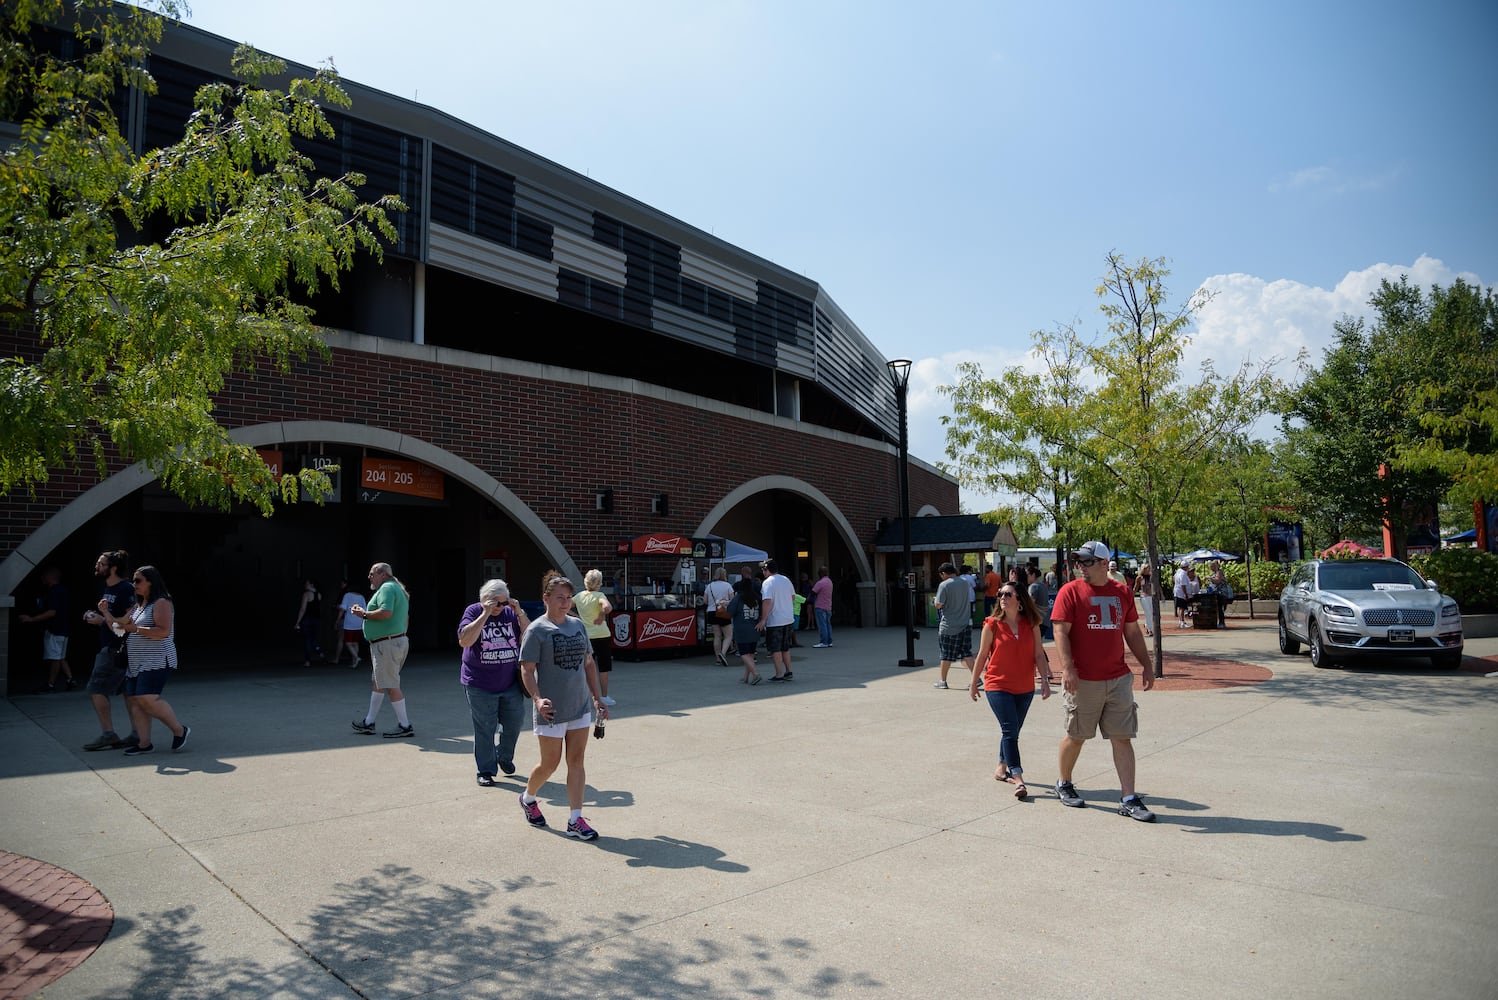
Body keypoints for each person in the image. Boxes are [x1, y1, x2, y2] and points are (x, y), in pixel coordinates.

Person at [1050, 540, 1157, 822]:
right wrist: (1068, 669)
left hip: (1118, 678)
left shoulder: (1122, 592)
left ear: (1102, 563)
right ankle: (1064, 782)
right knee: (1076, 736)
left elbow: (1132, 632)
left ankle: (1129, 798)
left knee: (1122, 737)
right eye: (1078, 562)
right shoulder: (1069, 592)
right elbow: (1060, 632)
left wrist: (1147, 665)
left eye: (1086, 562)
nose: (1080, 567)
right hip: (1083, 680)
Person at [517, 573, 606, 841]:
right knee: (549, 764)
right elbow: (527, 669)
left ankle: (575, 819)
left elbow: (588, 663)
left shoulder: (578, 626)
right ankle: (527, 798)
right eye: (560, 598)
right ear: (546, 599)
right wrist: (537, 699)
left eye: (569, 598)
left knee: (576, 762)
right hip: (551, 710)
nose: (566, 603)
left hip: (579, 707)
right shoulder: (537, 630)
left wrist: (597, 698)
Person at [969, 580, 1053, 799]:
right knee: (1009, 729)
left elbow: (1038, 654)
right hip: (997, 685)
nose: (1002, 598)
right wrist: (973, 682)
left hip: (1025, 687)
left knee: (1012, 730)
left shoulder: (1031, 624)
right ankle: (1017, 776)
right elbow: (981, 654)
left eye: (1008, 594)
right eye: (1000, 594)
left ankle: (1001, 767)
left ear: (1019, 599)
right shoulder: (992, 624)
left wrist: (1044, 680)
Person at [99, 565, 189, 757]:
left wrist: (136, 630)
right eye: (133, 580)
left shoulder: (162, 603)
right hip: (137, 662)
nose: (134, 584)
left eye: (138, 580)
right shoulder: (139, 606)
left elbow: (163, 632)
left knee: (147, 698)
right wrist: (105, 613)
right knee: (135, 702)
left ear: (151, 582)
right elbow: (119, 628)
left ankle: (179, 730)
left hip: (157, 660)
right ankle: (144, 743)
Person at [457, 579, 530, 786]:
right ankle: (486, 770)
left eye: (504, 602)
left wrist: (519, 611)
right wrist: (485, 614)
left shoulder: (510, 613)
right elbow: (465, 640)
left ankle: (504, 756)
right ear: (486, 600)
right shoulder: (473, 612)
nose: (501, 607)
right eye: (496, 603)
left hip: (509, 682)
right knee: (485, 728)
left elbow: (530, 636)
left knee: (514, 723)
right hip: (479, 682)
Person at [80, 550, 138, 751]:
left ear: (113, 568)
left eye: (101, 563)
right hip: (112, 646)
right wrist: (97, 618)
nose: (97, 566)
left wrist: (102, 620)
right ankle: (136, 734)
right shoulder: (108, 589)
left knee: (96, 688)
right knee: (127, 692)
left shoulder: (126, 589)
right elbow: (112, 618)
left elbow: (130, 621)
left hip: (116, 649)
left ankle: (108, 734)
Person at [350, 562, 414, 738]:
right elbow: (405, 618)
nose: (369, 577)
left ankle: (405, 725)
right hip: (393, 642)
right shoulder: (398, 589)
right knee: (379, 682)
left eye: (372, 574)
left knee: (391, 684)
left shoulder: (387, 588)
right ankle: (369, 722)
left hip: (386, 645)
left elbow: (386, 612)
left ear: (383, 574)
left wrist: (363, 614)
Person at [20, 566, 73, 691]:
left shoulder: (54, 592)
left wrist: (31, 619)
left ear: (50, 577)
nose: (42, 578)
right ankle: (70, 679)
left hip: (55, 630)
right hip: (63, 629)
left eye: (44, 576)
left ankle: (51, 684)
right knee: (60, 656)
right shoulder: (63, 590)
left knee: (55, 657)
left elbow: (52, 612)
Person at [573, 569, 617, 704]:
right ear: (599, 583)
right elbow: (608, 607)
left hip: (586, 636)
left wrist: (575, 616)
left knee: (584, 667)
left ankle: (585, 696)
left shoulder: (579, 596)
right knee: (603, 667)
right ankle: (603, 696)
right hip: (602, 635)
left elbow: (566, 606)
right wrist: (602, 614)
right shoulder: (599, 595)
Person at [932, 562, 974, 689]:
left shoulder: (944, 585)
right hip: (965, 623)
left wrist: (935, 600)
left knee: (946, 654)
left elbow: (939, 604)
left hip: (949, 625)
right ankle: (976, 679)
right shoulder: (964, 582)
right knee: (966, 653)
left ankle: (943, 681)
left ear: (943, 573)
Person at [756, 558, 796, 681]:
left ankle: (779, 674)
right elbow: (793, 597)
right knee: (785, 647)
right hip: (788, 618)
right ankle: (789, 671)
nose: (763, 572)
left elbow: (767, 601)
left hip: (775, 620)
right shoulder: (786, 579)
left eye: (763, 569)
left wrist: (763, 619)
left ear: (766, 570)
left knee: (775, 649)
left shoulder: (768, 582)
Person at [728, 577, 763, 685]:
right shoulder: (757, 598)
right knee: (750, 654)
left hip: (742, 629)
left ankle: (756, 674)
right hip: (755, 628)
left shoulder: (739, 597)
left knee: (743, 654)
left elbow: (730, 611)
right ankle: (746, 677)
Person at [703, 567, 736, 666]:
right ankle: (723, 653)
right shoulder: (728, 586)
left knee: (716, 636)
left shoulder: (709, 586)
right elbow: (733, 600)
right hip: (723, 612)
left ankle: (718, 658)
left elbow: (705, 601)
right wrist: (725, 602)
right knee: (728, 635)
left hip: (712, 612)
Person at [294, 577, 324, 666]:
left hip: (307, 619)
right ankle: (320, 652)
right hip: (316, 619)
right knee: (313, 639)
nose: (305, 585)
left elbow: (303, 609)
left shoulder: (306, 594)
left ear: (311, 584)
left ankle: (307, 661)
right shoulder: (319, 595)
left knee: (307, 639)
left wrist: (298, 622)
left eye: (306, 583)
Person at [335, 580, 365, 668]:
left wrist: (337, 620)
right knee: (355, 642)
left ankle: (356, 657)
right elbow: (365, 609)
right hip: (359, 621)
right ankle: (354, 662)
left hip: (349, 621)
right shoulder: (361, 597)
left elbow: (343, 608)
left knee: (348, 642)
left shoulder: (347, 595)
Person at [1026, 565, 1053, 642]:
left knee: (1034, 644)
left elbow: (1030, 604)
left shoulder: (1033, 587)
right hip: (1045, 620)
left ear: (1033, 575)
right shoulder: (1043, 586)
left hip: (1038, 621)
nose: (1026, 577)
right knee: (1037, 644)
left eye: (1027, 575)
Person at [811, 566, 834, 648]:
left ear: (820, 573)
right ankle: (829, 641)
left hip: (820, 606)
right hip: (828, 606)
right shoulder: (829, 581)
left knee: (822, 625)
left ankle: (823, 641)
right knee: (828, 624)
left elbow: (813, 592)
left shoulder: (820, 582)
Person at [1134, 562, 1157, 637]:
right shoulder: (1140, 578)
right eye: (1147, 568)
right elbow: (1136, 587)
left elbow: (1157, 586)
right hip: (1144, 596)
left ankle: (1147, 625)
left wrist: (1161, 595)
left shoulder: (1151, 577)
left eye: (1149, 568)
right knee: (1148, 613)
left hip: (1151, 596)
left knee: (1152, 612)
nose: (1148, 569)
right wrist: (1131, 595)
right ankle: (1150, 629)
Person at [1172, 562, 1191, 628]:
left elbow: (1174, 579)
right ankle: (1182, 622)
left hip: (1177, 592)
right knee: (1182, 608)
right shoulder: (1183, 574)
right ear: (1185, 567)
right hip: (1181, 593)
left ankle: (1181, 621)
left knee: (1180, 608)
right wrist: (1185, 593)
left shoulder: (1178, 572)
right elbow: (1183, 585)